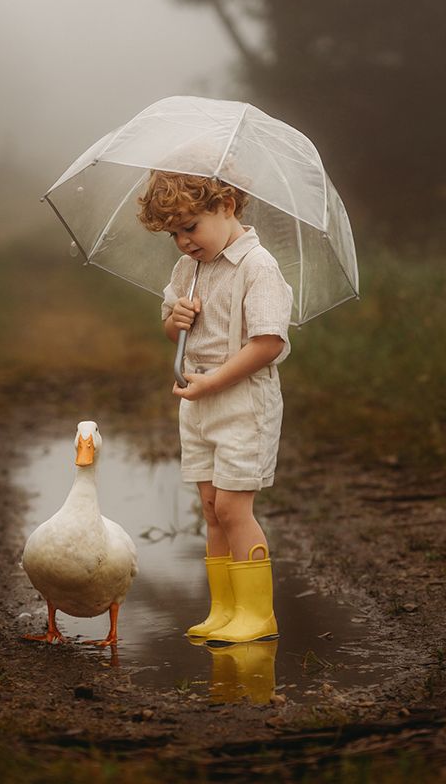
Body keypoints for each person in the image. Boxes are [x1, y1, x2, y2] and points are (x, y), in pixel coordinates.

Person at [137, 171, 293, 645]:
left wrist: (215, 383)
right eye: (173, 235)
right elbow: (173, 330)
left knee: (233, 507)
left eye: (190, 227)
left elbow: (268, 342)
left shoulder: (258, 267)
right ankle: (224, 609)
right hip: (199, 399)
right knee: (210, 507)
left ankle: (257, 613)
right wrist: (174, 319)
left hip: (242, 400)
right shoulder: (189, 269)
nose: (183, 242)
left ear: (226, 205)